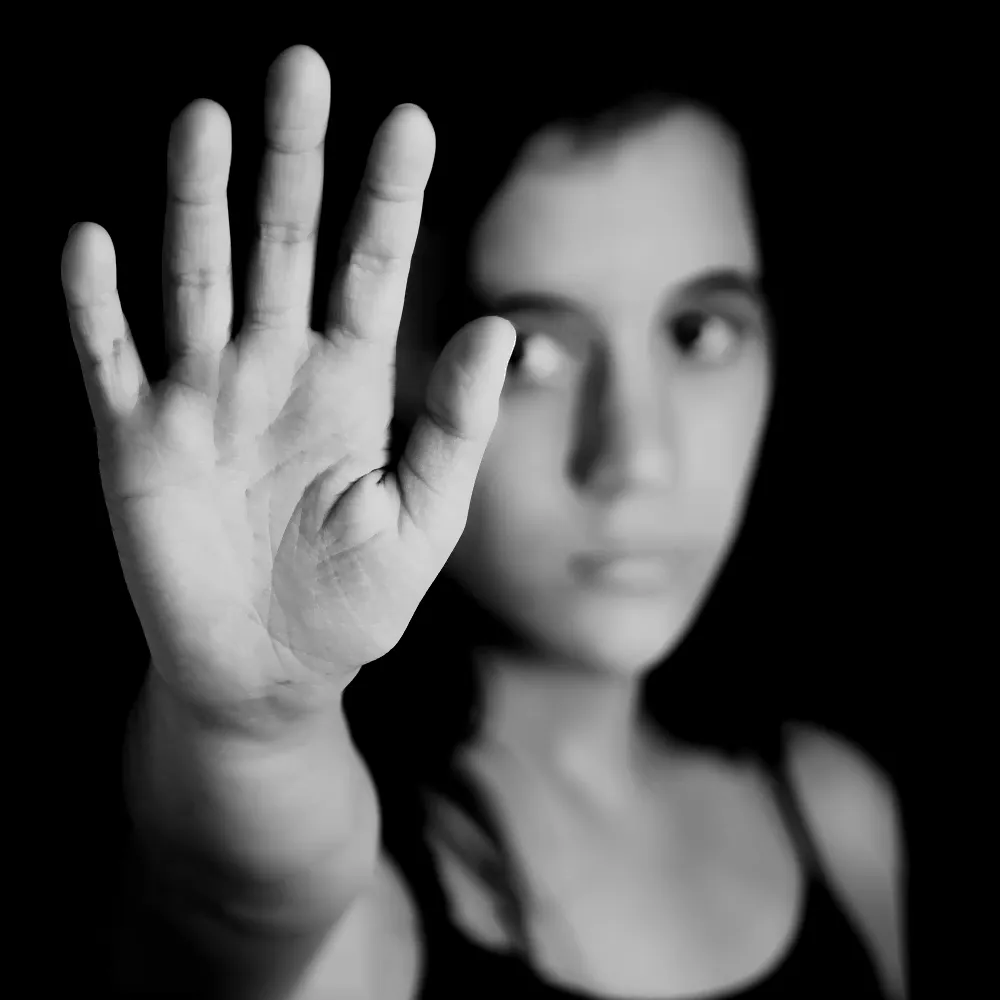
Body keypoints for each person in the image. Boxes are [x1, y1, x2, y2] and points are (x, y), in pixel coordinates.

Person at [60, 45, 906, 999]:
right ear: (397, 357)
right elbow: (235, 913)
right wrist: (255, 730)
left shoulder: (839, 816)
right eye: (535, 351)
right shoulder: (372, 921)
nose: (636, 459)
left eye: (700, 332)